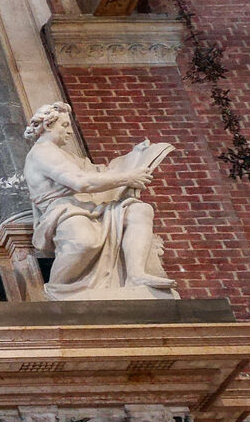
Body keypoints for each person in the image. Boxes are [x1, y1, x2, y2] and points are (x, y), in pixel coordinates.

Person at [22, 102, 176, 300]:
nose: (70, 132)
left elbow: (98, 173)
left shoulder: (66, 155)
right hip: (63, 210)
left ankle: (136, 274)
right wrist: (127, 177)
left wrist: (134, 159)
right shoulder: (43, 152)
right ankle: (57, 290)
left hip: (88, 206)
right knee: (84, 242)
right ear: (48, 126)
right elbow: (81, 182)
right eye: (65, 125)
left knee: (140, 210)